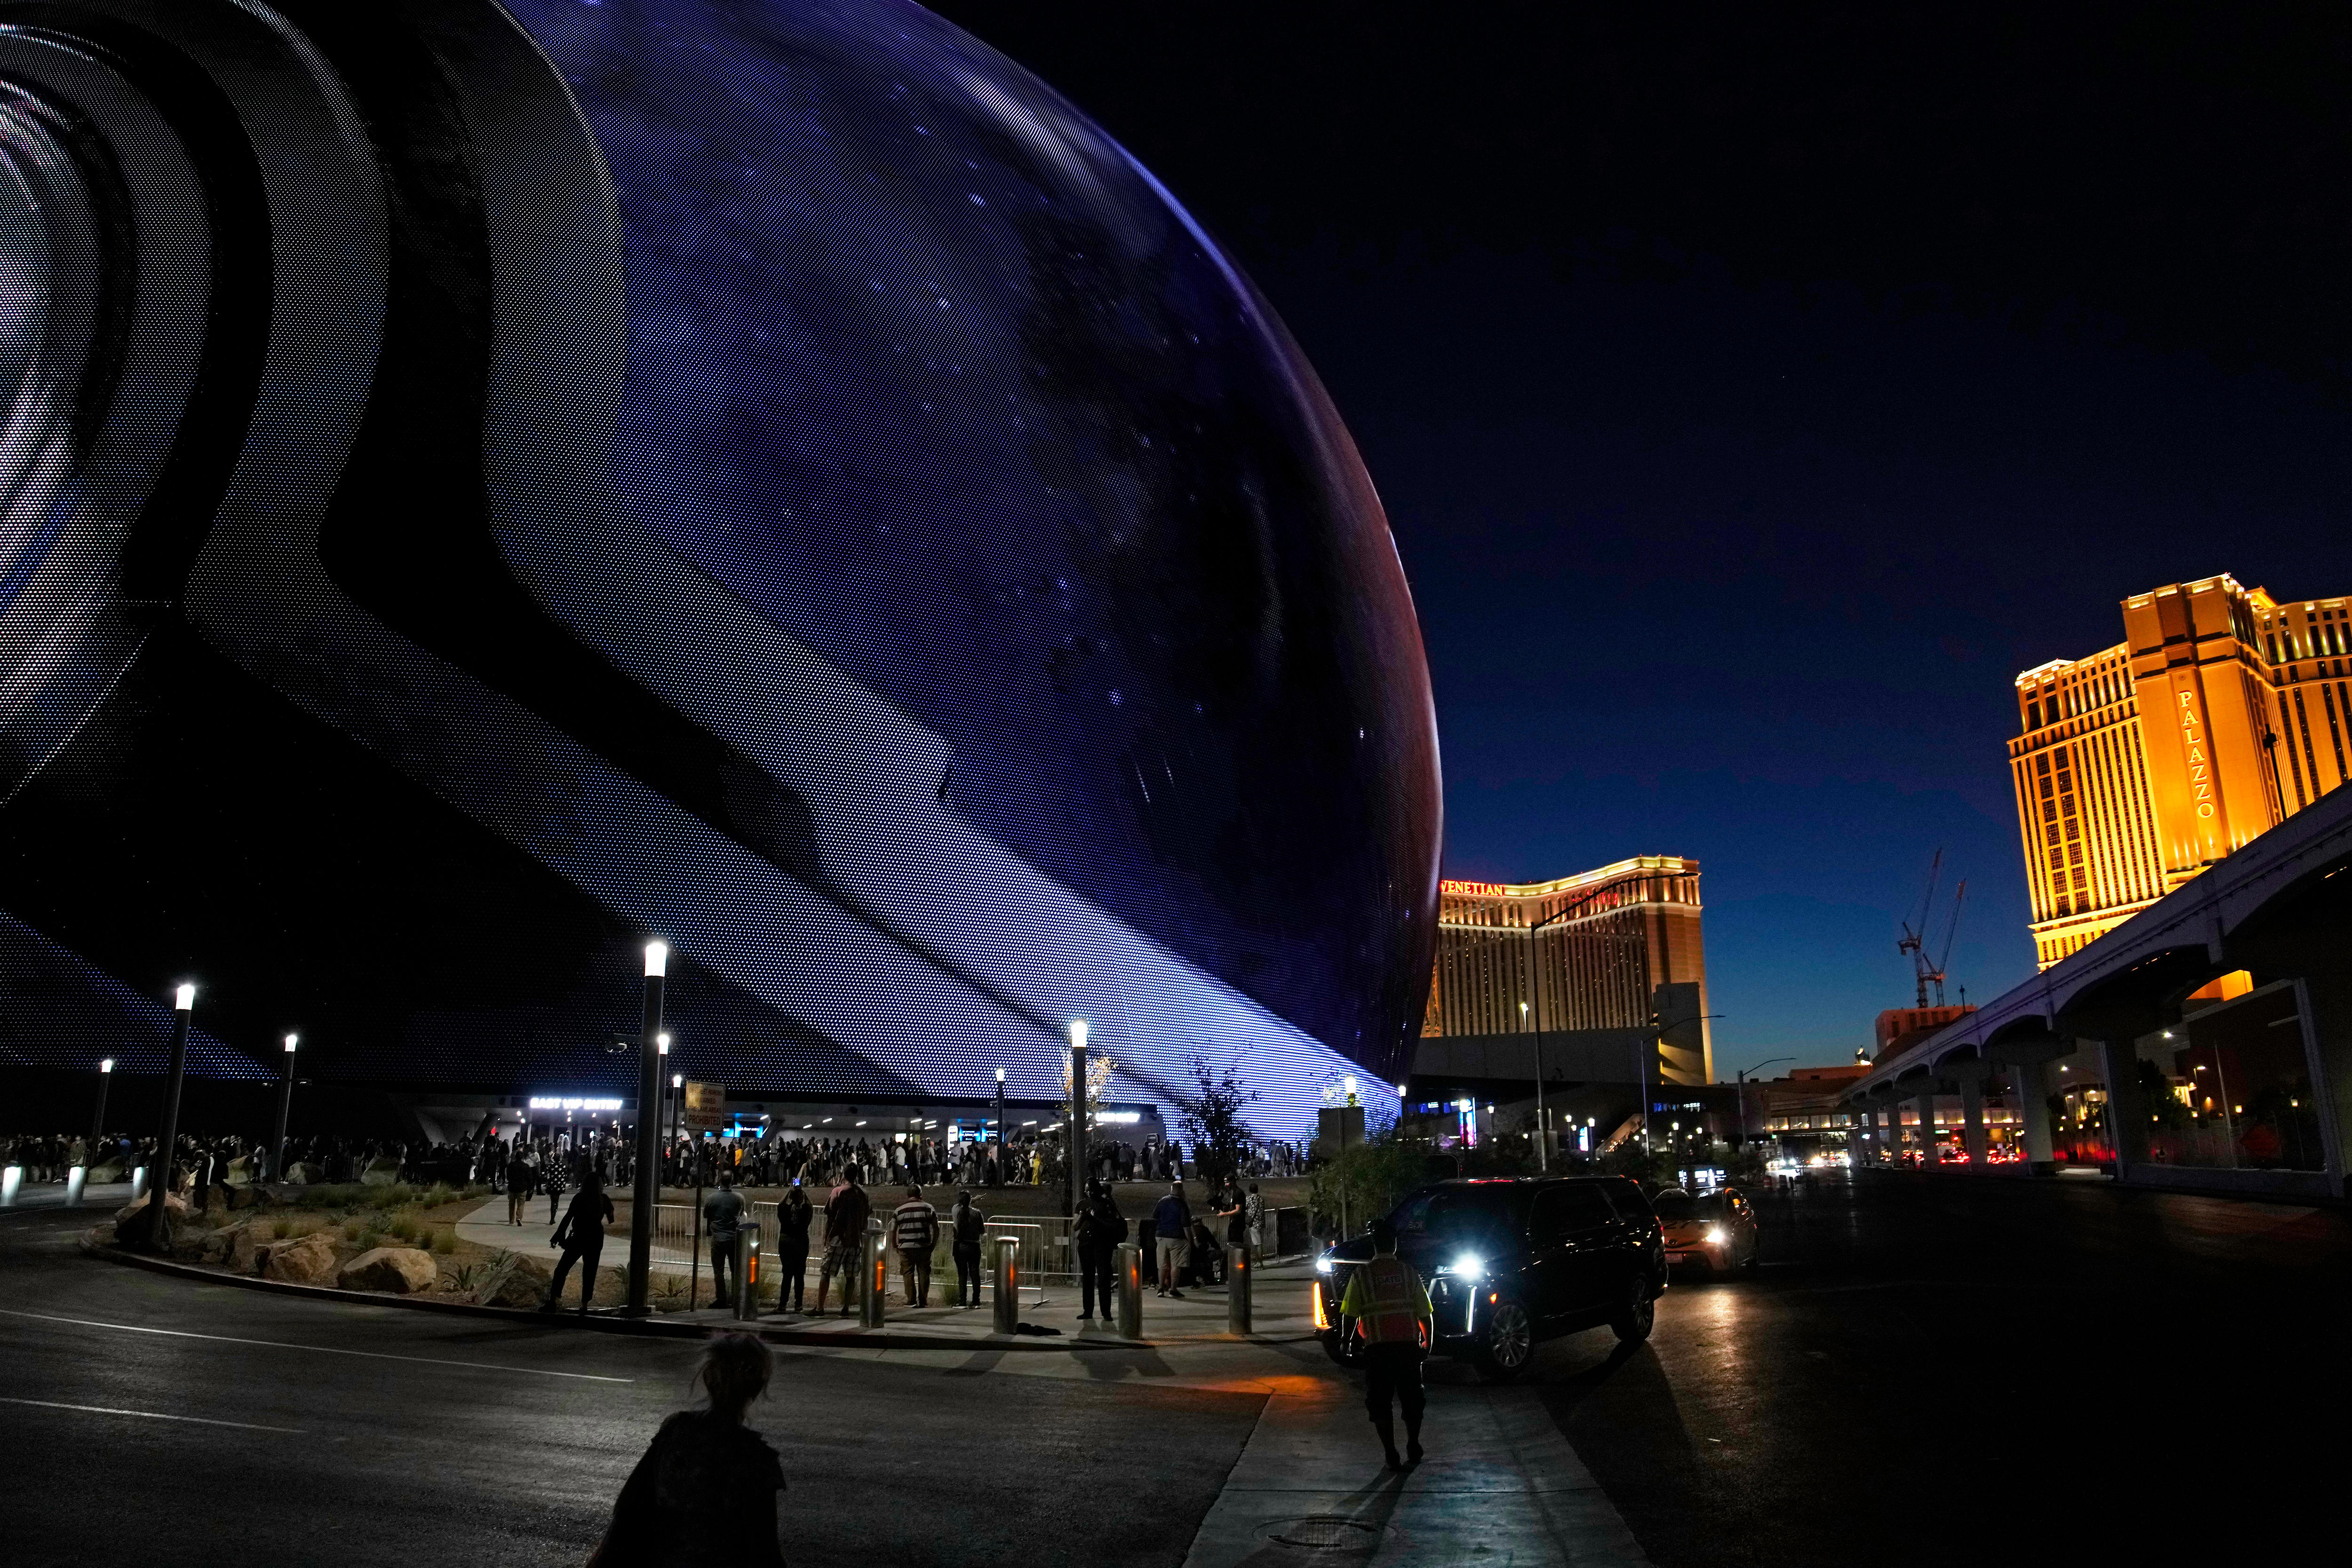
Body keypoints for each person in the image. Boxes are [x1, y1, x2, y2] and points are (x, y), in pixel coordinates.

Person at [587, 1331, 786, 1568]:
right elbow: (765, 1549)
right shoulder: (758, 1460)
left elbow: (629, 1506)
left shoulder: (676, 1431)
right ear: (758, 1386)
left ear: (708, 1377)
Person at [1337, 1217, 1434, 1470]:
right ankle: (1413, 1444)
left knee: (1380, 1403)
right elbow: (1425, 1314)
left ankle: (1391, 1453)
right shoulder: (1408, 1273)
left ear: (1374, 1245)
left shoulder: (1362, 1275)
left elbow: (1350, 1314)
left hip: (1377, 1351)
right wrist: (1428, 1342)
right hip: (1408, 1349)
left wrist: (1346, 1342)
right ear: (1394, 1245)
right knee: (1413, 1400)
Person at [541, 1169, 615, 1315]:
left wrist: (558, 1235)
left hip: (579, 1236)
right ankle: (584, 1304)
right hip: (596, 1238)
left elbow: (568, 1217)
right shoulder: (603, 1199)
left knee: (562, 1268)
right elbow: (611, 1219)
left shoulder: (580, 1198)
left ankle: (553, 1300)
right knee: (590, 1271)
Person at [814, 1169, 870, 1316]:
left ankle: (820, 1307)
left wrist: (827, 1236)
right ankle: (846, 1308)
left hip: (838, 1239)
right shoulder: (863, 1194)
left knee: (826, 1272)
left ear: (844, 1175)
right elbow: (866, 1217)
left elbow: (831, 1216)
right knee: (851, 1276)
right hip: (856, 1240)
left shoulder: (838, 1192)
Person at [1076, 1180, 1125, 1321]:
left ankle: (1106, 1312)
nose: (1088, 1194)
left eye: (1090, 1191)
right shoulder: (1082, 1204)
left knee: (1103, 1278)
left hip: (1102, 1245)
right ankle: (1088, 1311)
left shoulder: (1107, 1204)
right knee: (1088, 1278)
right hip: (1085, 1244)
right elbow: (1075, 1226)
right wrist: (1082, 1216)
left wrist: (1095, 1217)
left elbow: (1114, 1223)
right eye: (1086, 1191)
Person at [704, 1169, 747, 1311]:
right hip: (734, 1238)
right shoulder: (739, 1198)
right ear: (732, 1181)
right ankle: (736, 1298)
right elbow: (741, 1213)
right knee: (736, 1270)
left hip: (718, 1238)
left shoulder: (711, 1199)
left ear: (720, 1180)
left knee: (718, 1270)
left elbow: (706, 1215)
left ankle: (721, 1298)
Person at [892, 1185, 938, 1307]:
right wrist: (933, 1244)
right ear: (920, 1195)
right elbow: (936, 1228)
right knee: (924, 1273)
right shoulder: (929, 1208)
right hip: (924, 1246)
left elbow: (893, 1230)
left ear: (908, 1195)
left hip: (905, 1247)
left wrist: (895, 1245)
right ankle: (923, 1300)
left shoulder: (899, 1210)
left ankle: (911, 1300)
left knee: (908, 1273)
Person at [776, 1185, 811, 1314]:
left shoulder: (785, 1209)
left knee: (787, 1274)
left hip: (786, 1242)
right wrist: (804, 1192)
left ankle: (783, 1304)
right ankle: (799, 1305)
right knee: (799, 1275)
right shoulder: (805, 1210)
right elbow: (810, 1205)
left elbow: (780, 1205)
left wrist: (789, 1191)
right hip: (801, 1242)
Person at [948, 1188, 986, 1308]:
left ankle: (962, 1301)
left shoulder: (956, 1210)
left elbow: (963, 1203)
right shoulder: (977, 1213)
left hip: (960, 1245)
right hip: (974, 1246)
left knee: (962, 1274)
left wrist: (972, 1199)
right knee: (975, 1274)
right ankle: (976, 1301)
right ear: (970, 1200)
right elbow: (982, 1231)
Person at [1152, 1180, 1190, 1297]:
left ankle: (1161, 1288)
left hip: (1161, 1236)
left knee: (1162, 1265)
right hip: (1177, 1238)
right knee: (1176, 1264)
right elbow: (1186, 1224)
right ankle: (1173, 1290)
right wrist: (1189, 1240)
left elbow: (1155, 1216)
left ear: (1171, 1188)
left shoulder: (1162, 1201)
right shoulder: (1182, 1204)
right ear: (1182, 1190)